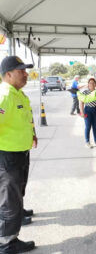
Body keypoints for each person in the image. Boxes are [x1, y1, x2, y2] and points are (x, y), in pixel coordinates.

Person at [0, 56, 36, 253]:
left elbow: (24, 119)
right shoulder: (4, 95)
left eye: (25, 70)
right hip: (8, 156)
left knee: (17, 194)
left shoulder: (17, 93)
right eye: (21, 70)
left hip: (20, 152)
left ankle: (14, 225)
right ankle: (6, 243)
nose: (25, 74)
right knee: (10, 201)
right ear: (8, 74)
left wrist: (32, 134)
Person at [79, 78, 96, 148]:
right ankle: (87, 142)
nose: (91, 84)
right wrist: (82, 112)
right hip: (87, 111)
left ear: (95, 84)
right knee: (88, 126)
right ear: (88, 84)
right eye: (90, 83)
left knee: (95, 127)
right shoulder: (85, 92)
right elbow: (81, 102)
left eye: (93, 83)